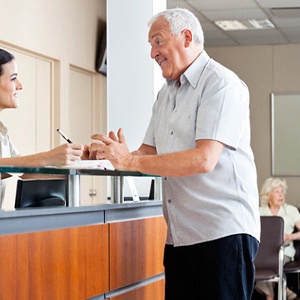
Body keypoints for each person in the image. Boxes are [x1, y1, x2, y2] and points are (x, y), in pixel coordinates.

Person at [90, 8, 260, 299]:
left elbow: (204, 159)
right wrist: (110, 156)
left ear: (187, 37)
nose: (152, 53)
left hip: (223, 234)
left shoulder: (221, 84)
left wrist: (131, 160)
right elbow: (147, 152)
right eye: (150, 45)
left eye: (157, 42)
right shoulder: (166, 94)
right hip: (180, 238)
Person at [0, 48, 85, 203]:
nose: (20, 86)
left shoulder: (2, 131)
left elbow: (24, 170)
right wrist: (47, 157)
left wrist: (77, 163)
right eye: (13, 79)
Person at [256, 177, 299, 300]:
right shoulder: (259, 211)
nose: (281, 195)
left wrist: (290, 236)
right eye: (277, 191)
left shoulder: (291, 210)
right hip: (262, 253)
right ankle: (286, 291)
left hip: (283, 251)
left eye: (282, 191)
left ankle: (269, 297)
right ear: (267, 195)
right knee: (262, 262)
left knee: (271, 262)